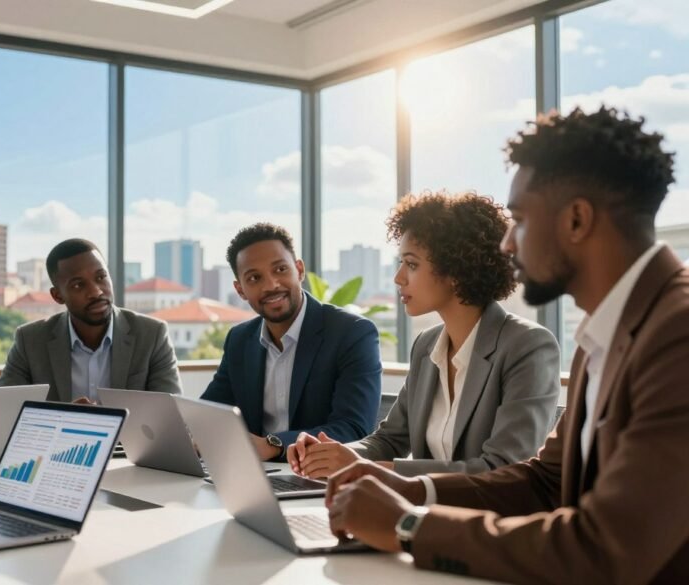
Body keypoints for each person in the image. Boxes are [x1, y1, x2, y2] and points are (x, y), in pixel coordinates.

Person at [324, 107, 689, 584]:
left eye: (518, 220)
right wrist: (413, 490)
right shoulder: (604, 334)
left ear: (576, 220)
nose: (507, 246)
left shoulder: (677, 334)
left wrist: (409, 525)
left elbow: (605, 549)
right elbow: (544, 482)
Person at [288, 192, 561, 479]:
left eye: (412, 264)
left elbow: (503, 468)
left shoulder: (527, 346)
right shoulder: (426, 346)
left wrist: (370, 469)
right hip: (424, 516)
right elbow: (389, 440)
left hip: (491, 519)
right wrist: (330, 454)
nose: (398, 277)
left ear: (456, 270)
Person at [201, 222, 382, 461]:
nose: (271, 285)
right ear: (240, 290)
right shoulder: (240, 340)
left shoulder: (352, 333)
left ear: (299, 270)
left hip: (321, 480)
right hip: (256, 476)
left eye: (280, 270)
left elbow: (354, 427)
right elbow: (209, 413)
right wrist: (193, 435)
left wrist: (275, 444)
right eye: (254, 278)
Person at [0, 238, 182, 402]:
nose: (96, 292)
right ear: (57, 296)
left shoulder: (152, 335)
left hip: (127, 443)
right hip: (62, 441)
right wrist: (66, 420)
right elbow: (4, 412)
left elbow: (170, 417)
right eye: (78, 285)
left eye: (101, 277)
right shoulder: (30, 340)